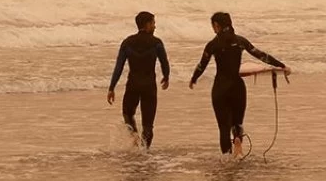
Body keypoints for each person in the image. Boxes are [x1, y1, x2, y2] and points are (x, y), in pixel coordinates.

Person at [189, 12, 291, 157]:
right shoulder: (241, 41)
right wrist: (281, 65)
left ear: (216, 25)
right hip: (238, 87)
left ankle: (227, 160)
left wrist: (194, 78)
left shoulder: (213, 45)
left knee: (224, 127)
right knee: (237, 123)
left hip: (220, 88)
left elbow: (202, 64)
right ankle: (237, 139)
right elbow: (261, 55)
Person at [107, 11, 170, 148]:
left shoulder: (127, 43)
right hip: (149, 87)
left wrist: (112, 87)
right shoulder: (156, 43)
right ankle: (145, 152)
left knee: (127, 114)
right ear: (147, 24)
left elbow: (119, 67)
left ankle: (134, 136)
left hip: (133, 85)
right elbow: (164, 63)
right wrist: (166, 76)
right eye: (153, 23)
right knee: (148, 125)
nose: (154, 26)